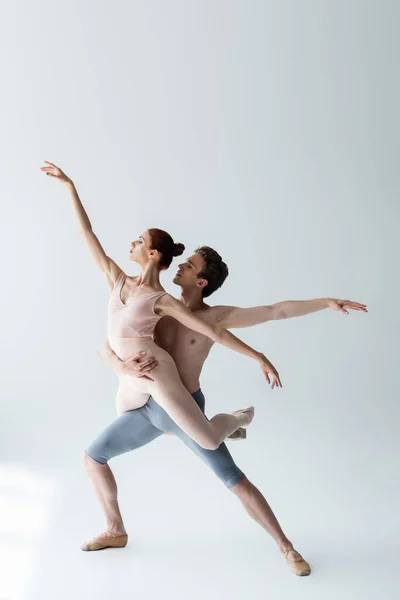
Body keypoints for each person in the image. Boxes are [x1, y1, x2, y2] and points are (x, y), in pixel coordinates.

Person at [83, 245, 367, 575]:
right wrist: (121, 364)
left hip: (187, 412)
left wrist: (325, 303)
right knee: (93, 457)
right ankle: (115, 530)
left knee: (234, 480)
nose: (181, 266)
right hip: (148, 409)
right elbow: (109, 338)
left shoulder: (214, 317)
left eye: (189, 266)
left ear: (201, 282)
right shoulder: (153, 303)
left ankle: (286, 547)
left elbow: (275, 310)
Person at [40, 160, 283, 452]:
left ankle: (237, 418)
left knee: (205, 439)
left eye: (139, 241)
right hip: (128, 378)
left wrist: (258, 357)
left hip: (153, 373)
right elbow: (87, 233)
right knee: (159, 428)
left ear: (153, 254)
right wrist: (70, 186)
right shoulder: (117, 278)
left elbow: (214, 332)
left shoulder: (163, 301)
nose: (132, 242)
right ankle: (218, 428)